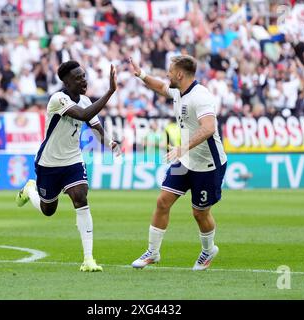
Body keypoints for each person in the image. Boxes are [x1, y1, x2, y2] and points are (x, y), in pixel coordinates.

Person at [15, 61, 118, 272]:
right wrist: (110, 92)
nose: (84, 80)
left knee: (81, 197)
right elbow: (84, 116)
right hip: (48, 163)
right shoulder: (58, 99)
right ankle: (30, 190)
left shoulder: (86, 100)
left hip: (72, 161)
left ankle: (88, 259)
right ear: (66, 81)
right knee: (48, 210)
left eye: (84, 76)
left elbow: (96, 126)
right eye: (78, 77)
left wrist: (110, 143)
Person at [129, 55, 227, 271]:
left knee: (200, 213)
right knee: (163, 201)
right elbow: (161, 86)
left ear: (180, 74)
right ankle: (152, 253)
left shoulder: (201, 96)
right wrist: (141, 75)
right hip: (185, 160)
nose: (167, 74)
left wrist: (183, 147)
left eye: (170, 71)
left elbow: (209, 127)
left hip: (208, 164)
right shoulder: (178, 91)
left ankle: (208, 250)